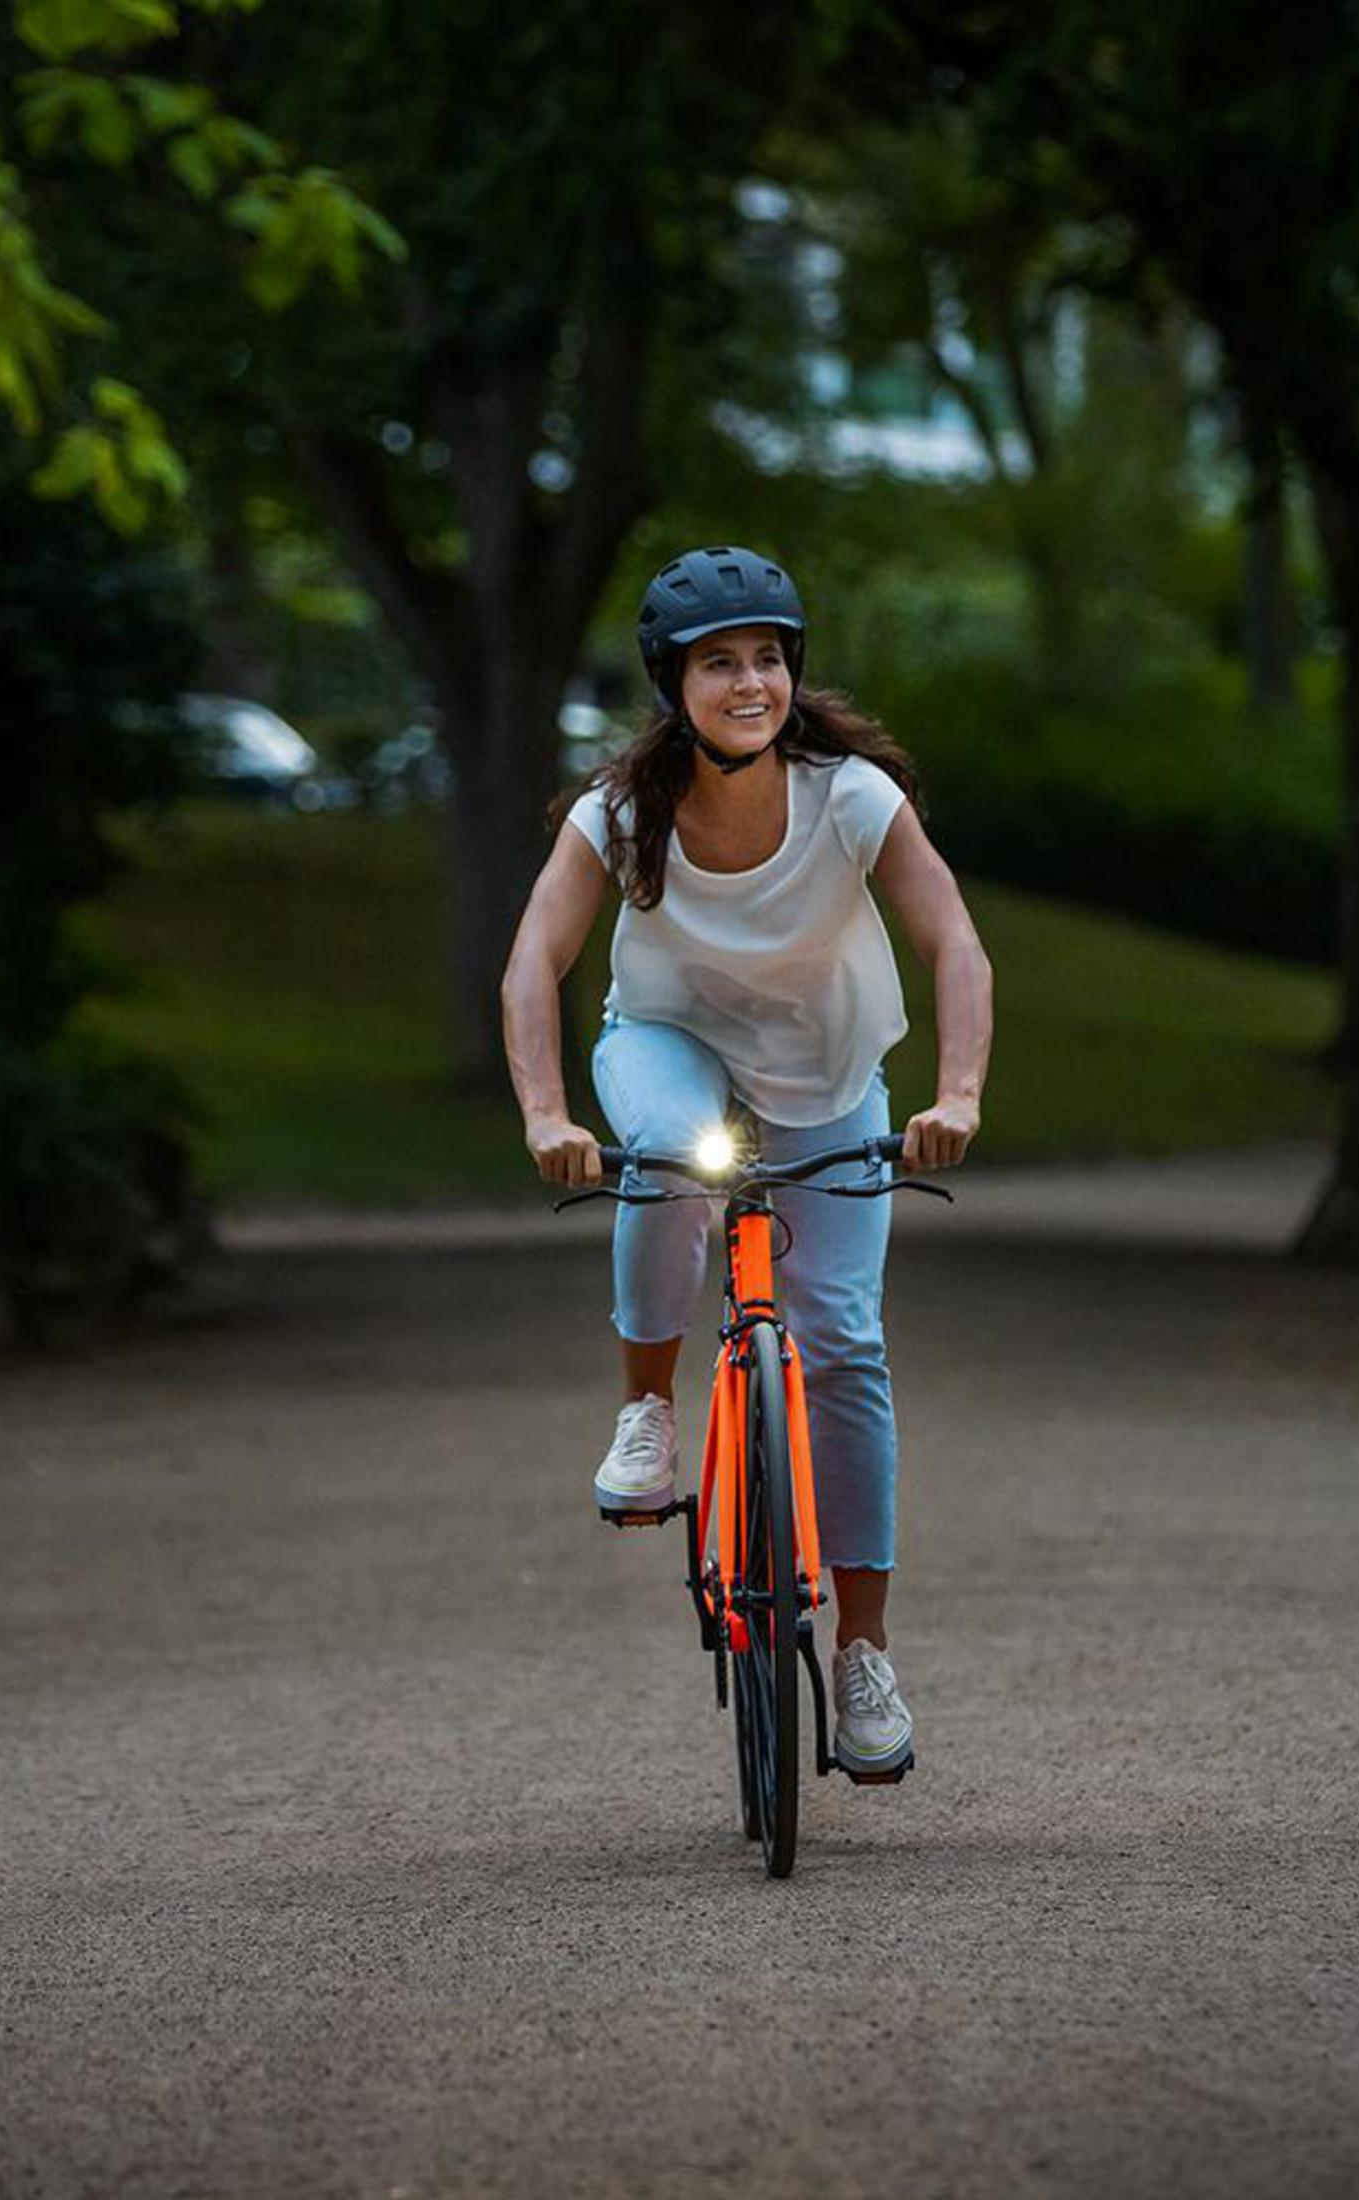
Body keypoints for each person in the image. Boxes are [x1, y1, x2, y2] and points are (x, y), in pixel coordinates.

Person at [499, 545, 993, 1781]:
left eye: (769, 658)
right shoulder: (620, 808)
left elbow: (957, 945)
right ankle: (650, 1409)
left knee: (847, 1344)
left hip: (828, 1081)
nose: (751, 682)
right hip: (668, 1051)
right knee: (666, 1154)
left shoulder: (852, 796)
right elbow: (532, 964)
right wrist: (548, 1114)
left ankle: (866, 1654)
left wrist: (960, 1094)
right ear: (675, 684)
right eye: (720, 663)